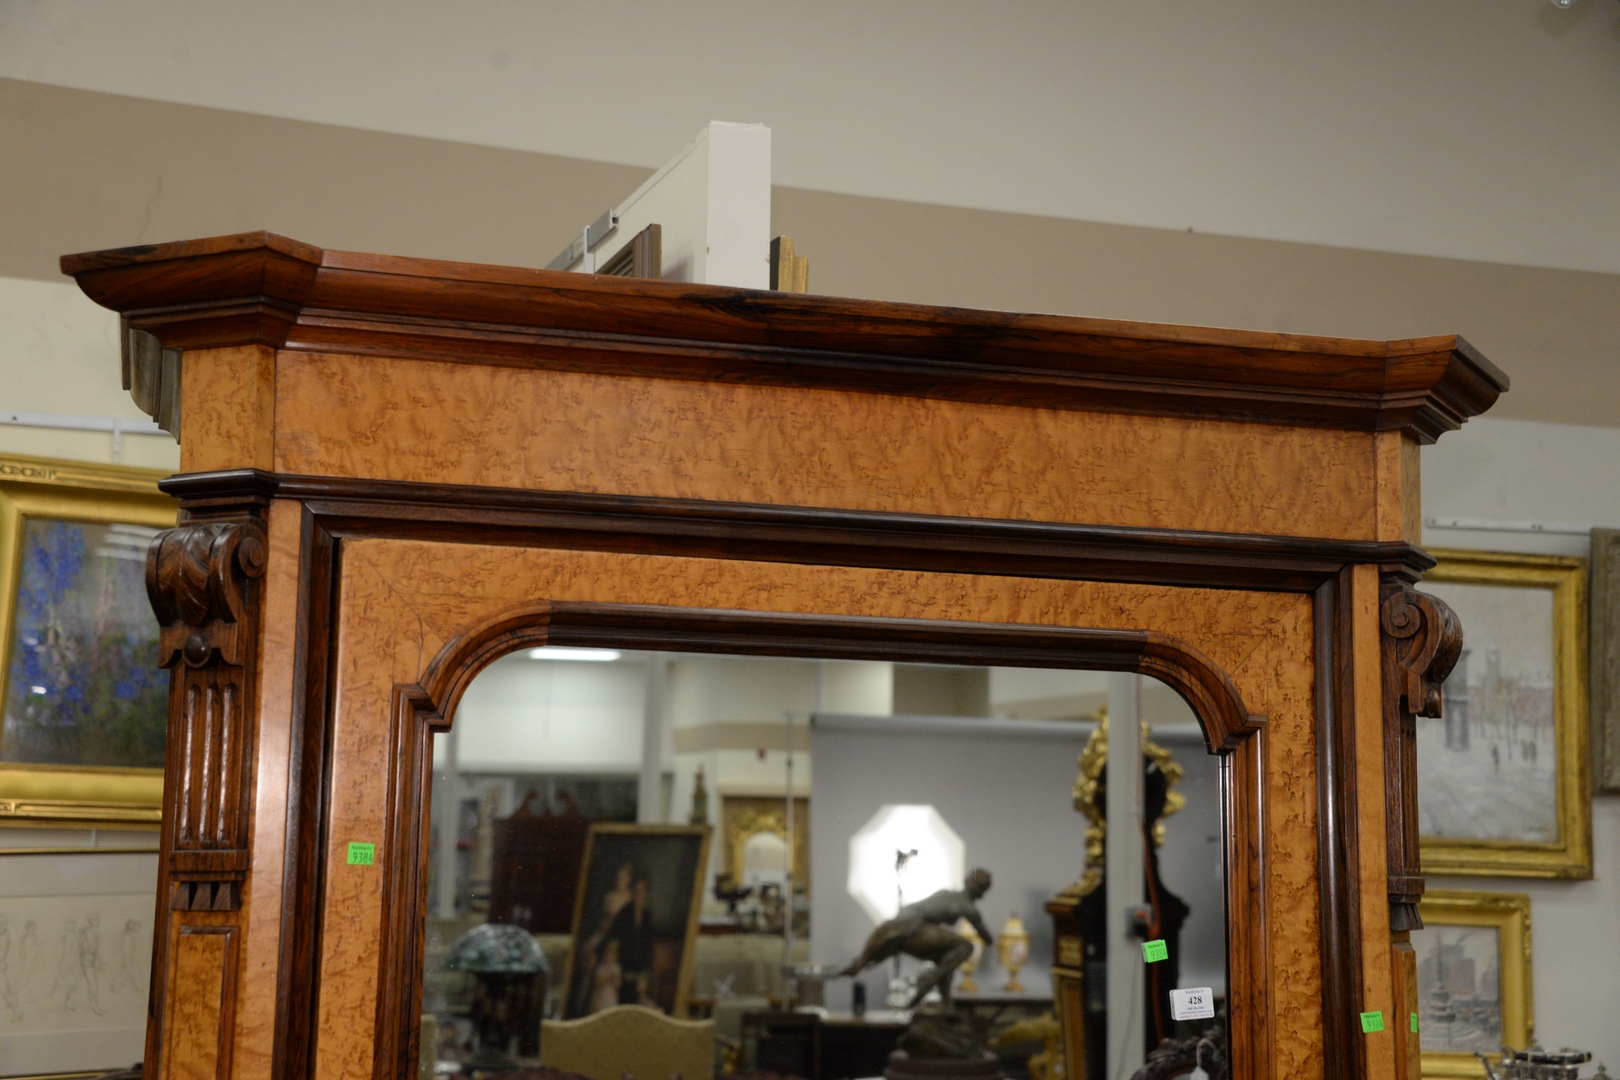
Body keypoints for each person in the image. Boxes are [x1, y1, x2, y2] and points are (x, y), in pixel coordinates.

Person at [840, 868, 994, 1007]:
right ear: (982, 891)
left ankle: (945, 1004)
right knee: (965, 946)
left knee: (947, 961)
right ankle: (928, 981)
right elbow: (986, 937)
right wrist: (992, 940)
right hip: (914, 927)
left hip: (902, 925)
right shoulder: (968, 907)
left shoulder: (946, 894)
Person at [589, 938, 623, 1014]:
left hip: (610, 999)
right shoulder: (600, 968)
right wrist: (609, 977)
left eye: (612, 954)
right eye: (608, 953)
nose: (609, 956)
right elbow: (596, 984)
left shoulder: (616, 968)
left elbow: (618, 984)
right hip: (599, 1000)